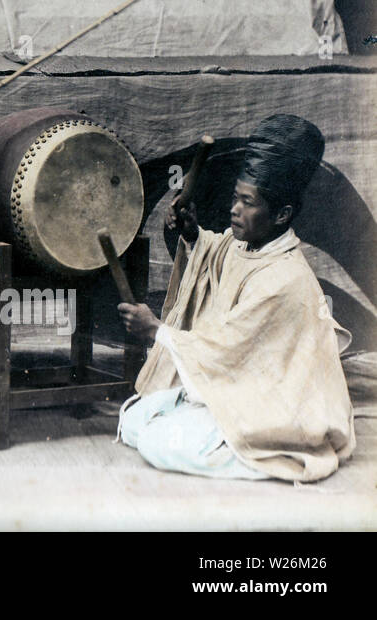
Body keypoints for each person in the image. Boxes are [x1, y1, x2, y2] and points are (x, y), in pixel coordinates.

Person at [116, 115, 355, 482]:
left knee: (157, 441)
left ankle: (243, 447)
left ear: (282, 214)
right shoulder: (245, 243)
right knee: (135, 420)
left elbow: (227, 347)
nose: (235, 209)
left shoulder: (284, 278)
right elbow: (219, 256)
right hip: (238, 384)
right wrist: (193, 234)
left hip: (275, 403)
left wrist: (156, 331)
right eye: (235, 197)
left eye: (248, 202)